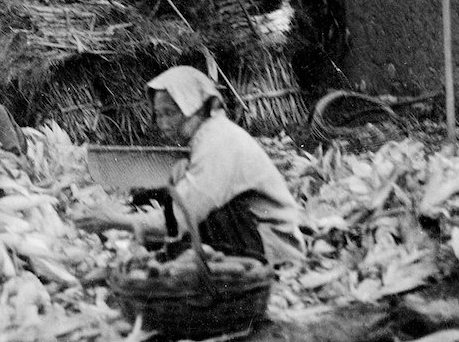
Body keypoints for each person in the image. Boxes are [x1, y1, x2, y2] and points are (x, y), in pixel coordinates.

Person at [77, 65, 305, 266]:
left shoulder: (218, 142)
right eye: (158, 114)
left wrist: (116, 221)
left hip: (273, 246)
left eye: (170, 113)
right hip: (256, 235)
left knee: (182, 225)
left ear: (196, 108)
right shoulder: (208, 136)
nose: (162, 123)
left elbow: (184, 215)